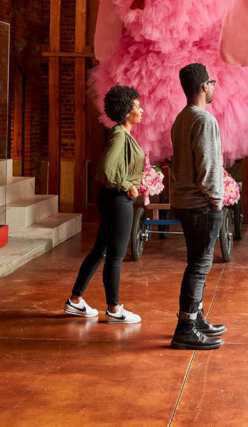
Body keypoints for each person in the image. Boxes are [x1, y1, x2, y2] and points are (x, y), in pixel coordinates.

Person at [64, 85, 145, 324]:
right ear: (126, 111)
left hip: (113, 200)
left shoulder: (123, 134)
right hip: (118, 201)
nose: (142, 110)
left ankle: (75, 300)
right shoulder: (120, 135)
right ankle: (114, 309)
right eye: (137, 106)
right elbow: (106, 170)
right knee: (115, 256)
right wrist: (126, 185)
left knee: (100, 250)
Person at [169, 63, 226, 350]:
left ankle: (197, 317)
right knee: (199, 266)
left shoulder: (181, 118)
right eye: (212, 82)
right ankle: (186, 327)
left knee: (196, 263)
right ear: (204, 86)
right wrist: (217, 200)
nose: (214, 86)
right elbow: (207, 168)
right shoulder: (204, 120)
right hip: (201, 204)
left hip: (184, 201)